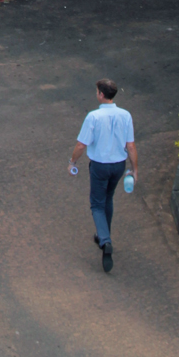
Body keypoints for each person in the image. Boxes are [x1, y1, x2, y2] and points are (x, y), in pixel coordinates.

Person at [69, 79, 137, 272]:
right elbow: (131, 145)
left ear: (100, 94)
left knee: (97, 204)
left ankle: (105, 240)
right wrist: (134, 169)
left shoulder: (94, 117)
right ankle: (102, 234)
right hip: (118, 165)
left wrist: (72, 162)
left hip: (99, 166)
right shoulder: (125, 115)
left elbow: (81, 145)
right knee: (108, 198)